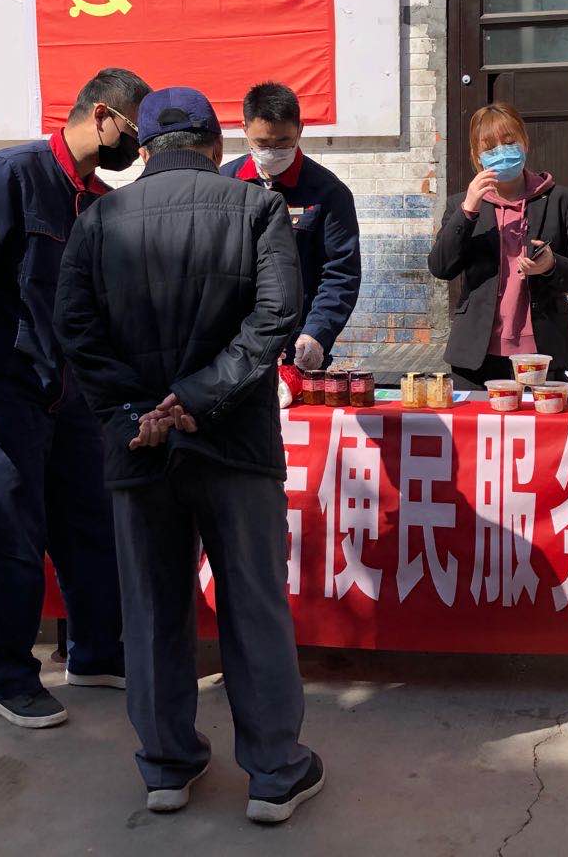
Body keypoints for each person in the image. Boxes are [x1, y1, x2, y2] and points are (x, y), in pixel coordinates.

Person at [55, 87, 323, 824]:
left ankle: (167, 768)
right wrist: (197, 397)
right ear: (216, 145)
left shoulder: (98, 218)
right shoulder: (258, 208)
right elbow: (277, 317)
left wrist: (138, 411)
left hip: (139, 448)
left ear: (143, 151)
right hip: (234, 443)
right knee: (254, 605)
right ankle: (273, 774)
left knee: (151, 609)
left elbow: (74, 328)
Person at [0, 67, 150, 729]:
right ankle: (7, 677)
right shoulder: (11, 177)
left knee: (91, 526)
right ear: (101, 116)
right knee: (10, 535)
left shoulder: (98, 201)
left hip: (72, 393)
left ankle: (96, 654)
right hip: (2, 388)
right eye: (132, 133)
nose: (135, 149)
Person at [428, 102, 568, 390]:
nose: (502, 152)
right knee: (477, 420)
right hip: (478, 354)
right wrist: (468, 211)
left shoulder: (560, 199)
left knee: (542, 421)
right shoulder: (462, 204)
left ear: (524, 142)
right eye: (490, 147)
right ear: (477, 156)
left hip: (545, 350)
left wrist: (551, 265)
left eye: (509, 142)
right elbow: (441, 267)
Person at [221, 82, 361, 370]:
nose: (273, 151)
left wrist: (317, 334)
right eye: (263, 143)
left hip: (297, 348)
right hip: (232, 347)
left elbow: (340, 272)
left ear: (300, 130)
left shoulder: (328, 193)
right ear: (244, 129)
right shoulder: (223, 186)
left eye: (283, 142)